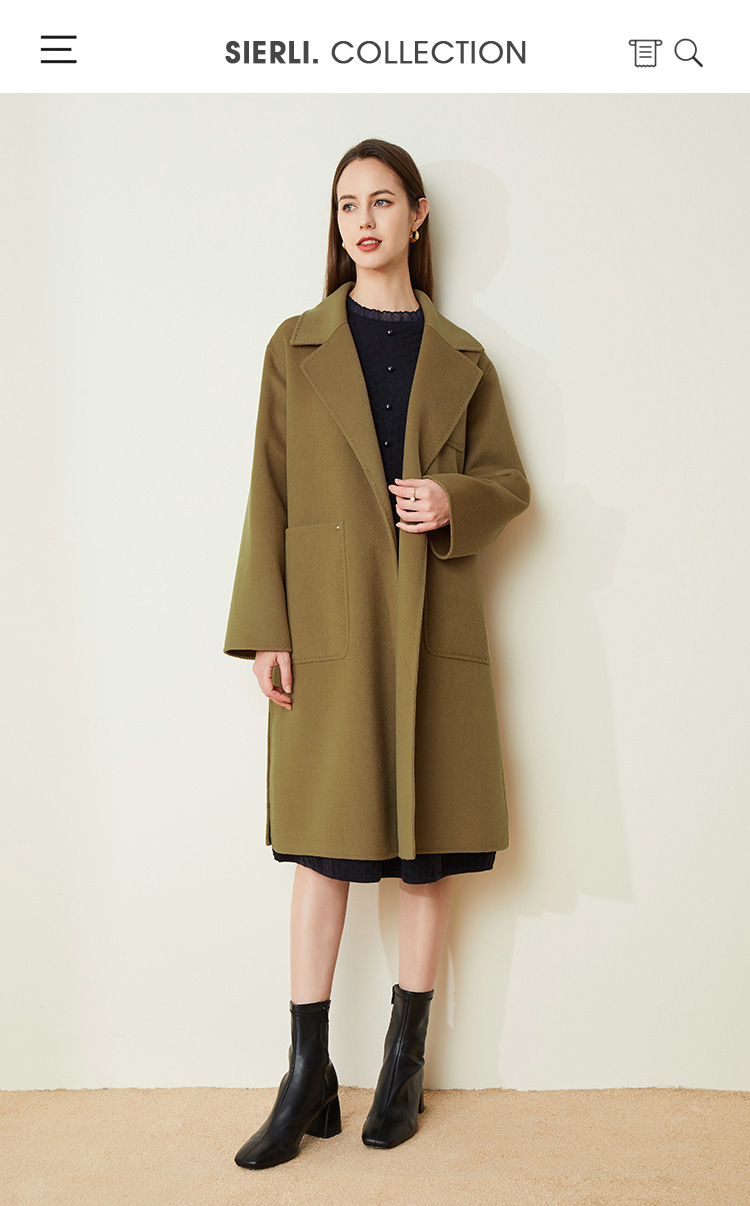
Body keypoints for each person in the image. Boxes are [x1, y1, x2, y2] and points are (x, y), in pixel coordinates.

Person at [224, 138, 531, 1169]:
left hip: (432, 622)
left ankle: (404, 1067)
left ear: (417, 215)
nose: (363, 221)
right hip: (329, 625)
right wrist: (267, 625)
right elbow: (267, 491)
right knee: (324, 848)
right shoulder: (295, 347)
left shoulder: (463, 359)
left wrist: (452, 500)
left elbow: (508, 484)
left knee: (426, 849)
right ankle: (306, 1074)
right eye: (348, 204)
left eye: (382, 201)